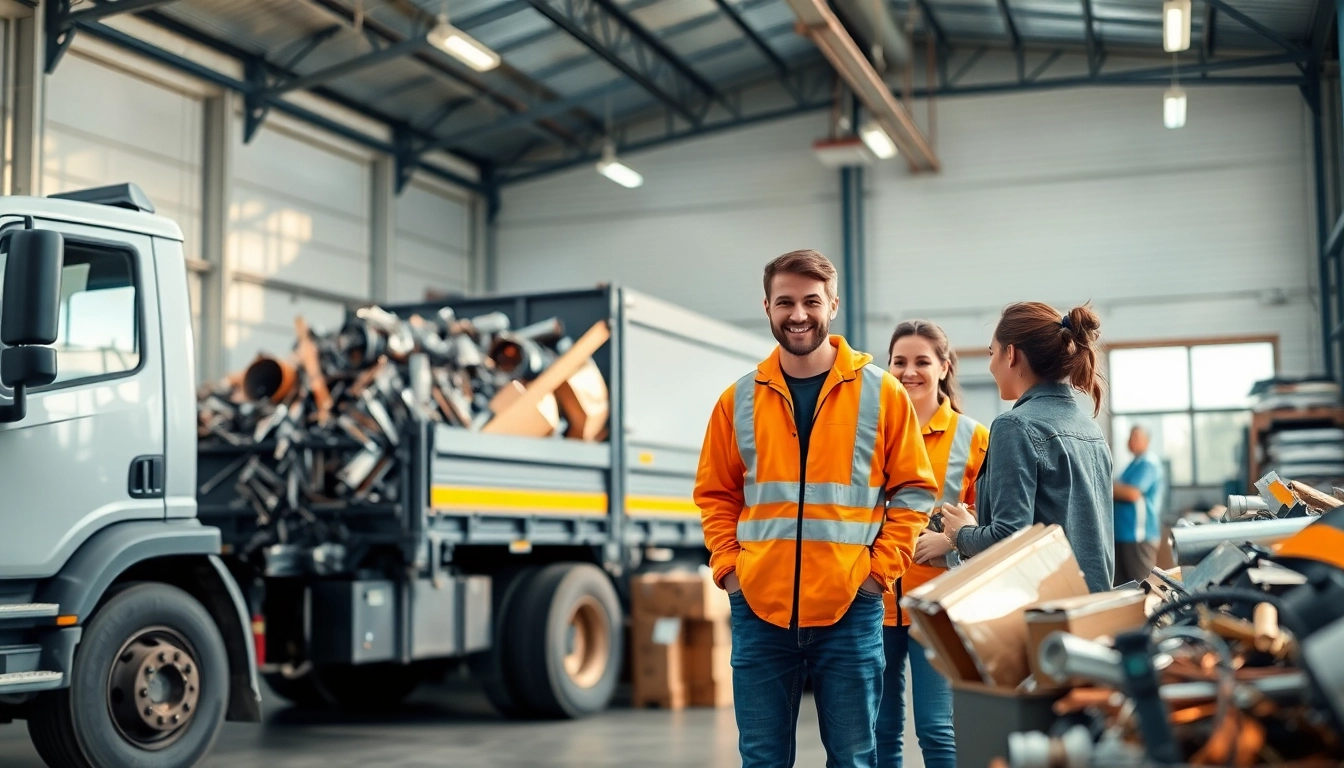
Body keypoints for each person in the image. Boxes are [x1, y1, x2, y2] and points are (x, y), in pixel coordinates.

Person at [694, 249, 939, 768]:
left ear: (833, 305)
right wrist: (731, 570)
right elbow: (716, 494)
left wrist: (877, 574)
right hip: (759, 607)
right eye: (785, 302)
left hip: (851, 607)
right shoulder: (737, 401)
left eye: (810, 301)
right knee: (761, 758)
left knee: (853, 757)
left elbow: (915, 492)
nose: (798, 314)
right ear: (767, 307)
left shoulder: (883, 395)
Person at [936, 301, 1115, 593]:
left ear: (1011, 354)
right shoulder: (1089, 429)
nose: (990, 364)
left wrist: (960, 534)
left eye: (992, 353)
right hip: (1093, 609)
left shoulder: (1014, 426)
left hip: (1041, 612)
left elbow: (1009, 538)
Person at [877, 320, 989, 768]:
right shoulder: (872, 434)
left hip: (939, 603)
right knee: (879, 730)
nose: (909, 372)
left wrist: (949, 539)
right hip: (877, 599)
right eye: (899, 362)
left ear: (944, 367)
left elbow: (999, 520)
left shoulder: (975, 438)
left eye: (922, 361)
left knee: (938, 729)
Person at [1112, 426, 1165, 585]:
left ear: (1147, 441)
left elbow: (1132, 493)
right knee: (1123, 586)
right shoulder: (1132, 464)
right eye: (1130, 437)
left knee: (1142, 585)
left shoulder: (1148, 463)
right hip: (1123, 534)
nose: (1132, 441)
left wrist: (1104, 486)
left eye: (1137, 437)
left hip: (1139, 535)